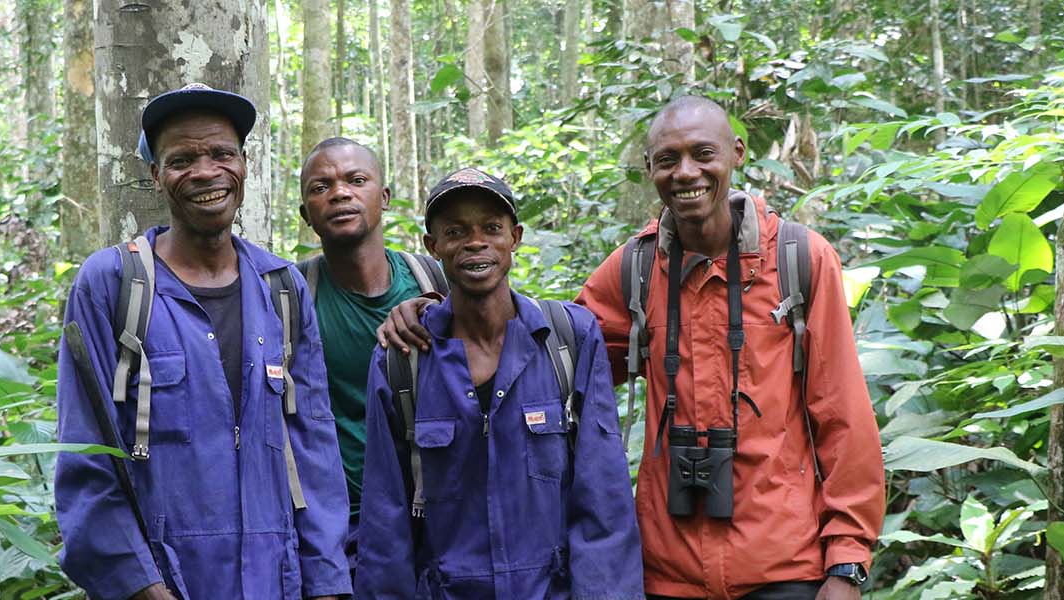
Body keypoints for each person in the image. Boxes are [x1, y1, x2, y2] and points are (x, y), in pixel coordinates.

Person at [377, 97, 884, 600]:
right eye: (668, 160)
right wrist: (435, 310)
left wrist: (847, 562)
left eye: (702, 154)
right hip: (666, 567)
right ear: (649, 170)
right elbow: (542, 353)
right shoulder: (635, 271)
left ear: (737, 153)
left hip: (785, 566)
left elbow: (843, 416)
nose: (686, 173)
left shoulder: (799, 261)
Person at [55, 83, 350, 600]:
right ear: (156, 175)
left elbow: (314, 453)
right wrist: (141, 586)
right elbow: (85, 459)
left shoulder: (282, 288)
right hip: (165, 583)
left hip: (273, 578)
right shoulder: (112, 283)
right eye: (182, 158)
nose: (206, 172)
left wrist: (326, 583)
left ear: (244, 164)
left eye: (221, 154)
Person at [354, 168, 643, 599]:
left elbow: (603, 501)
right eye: (455, 231)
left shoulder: (569, 340)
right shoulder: (403, 360)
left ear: (515, 238)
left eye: (491, 228)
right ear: (433, 246)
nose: (475, 243)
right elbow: (385, 517)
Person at [296, 136, 446, 558]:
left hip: (434, 516)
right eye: (320, 187)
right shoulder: (290, 296)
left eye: (356, 180)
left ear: (384, 197)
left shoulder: (434, 282)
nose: (340, 193)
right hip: (337, 528)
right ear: (305, 214)